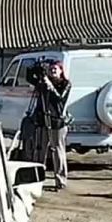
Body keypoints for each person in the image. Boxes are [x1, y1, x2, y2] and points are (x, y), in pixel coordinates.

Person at [32, 61, 72, 191]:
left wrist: (50, 86)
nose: (52, 71)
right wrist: (36, 70)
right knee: (40, 150)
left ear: (61, 70)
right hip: (42, 121)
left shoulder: (65, 84)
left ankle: (60, 179)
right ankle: (37, 178)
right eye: (50, 69)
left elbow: (59, 99)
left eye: (55, 69)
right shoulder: (43, 83)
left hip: (57, 122)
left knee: (57, 150)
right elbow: (29, 78)